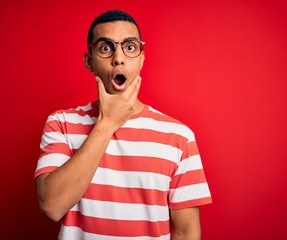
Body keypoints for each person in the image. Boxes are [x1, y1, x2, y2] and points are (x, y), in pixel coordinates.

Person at [35, 10, 212, 240]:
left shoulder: (179, 137)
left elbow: (187, 231)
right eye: (106, 48)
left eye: (129, 47)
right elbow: (52, 206)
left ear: (141, 58)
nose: (118, 58)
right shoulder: (61, 124)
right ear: (89, 61)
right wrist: (107, 123)